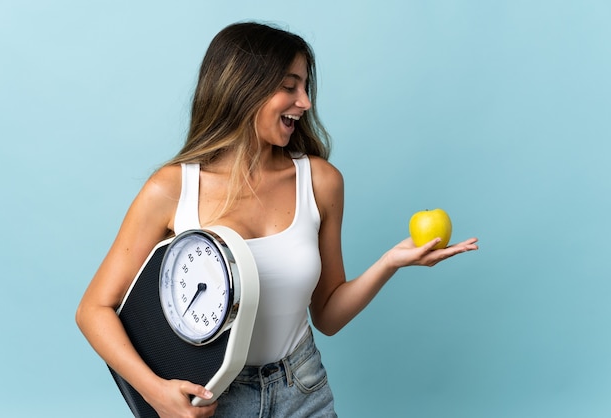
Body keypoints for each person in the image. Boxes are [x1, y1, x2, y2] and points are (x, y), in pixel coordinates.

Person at [76, 21, 478, 418]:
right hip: (212, 399)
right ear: (242, 88)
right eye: (289, 87)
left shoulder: (320, 182)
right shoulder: (173, 189)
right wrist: (156, 394)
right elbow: (94, 309)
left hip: (302, 388)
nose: (304, 102)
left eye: (305, 87)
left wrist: (391, 262)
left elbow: (327, 315)